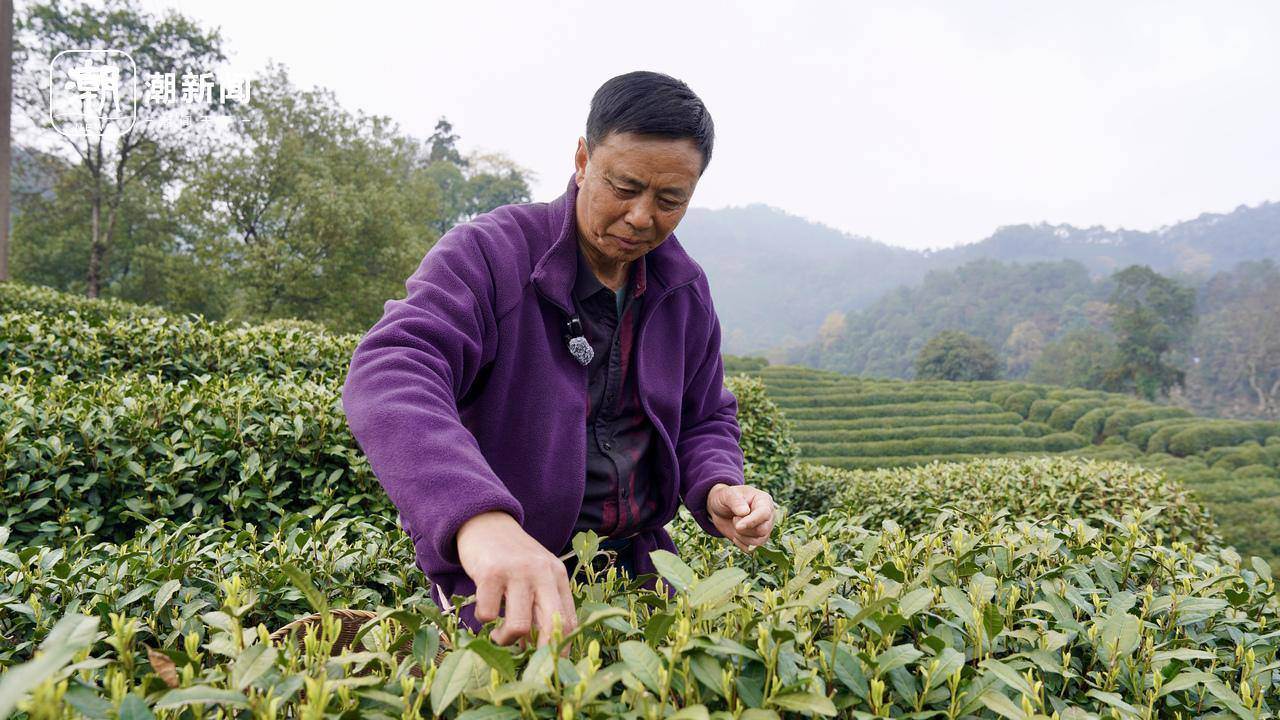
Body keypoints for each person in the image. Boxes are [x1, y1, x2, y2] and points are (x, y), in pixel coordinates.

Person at [341, 70, 776, 653]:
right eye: (624, 187)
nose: (643, 217)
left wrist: (718, 484)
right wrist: (480, 519)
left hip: (639, 568)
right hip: (505, 567)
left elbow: (705, 415)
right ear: (581, 159)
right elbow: (394, 368)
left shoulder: (683, 289)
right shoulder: (491, 255)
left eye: (671, 200)